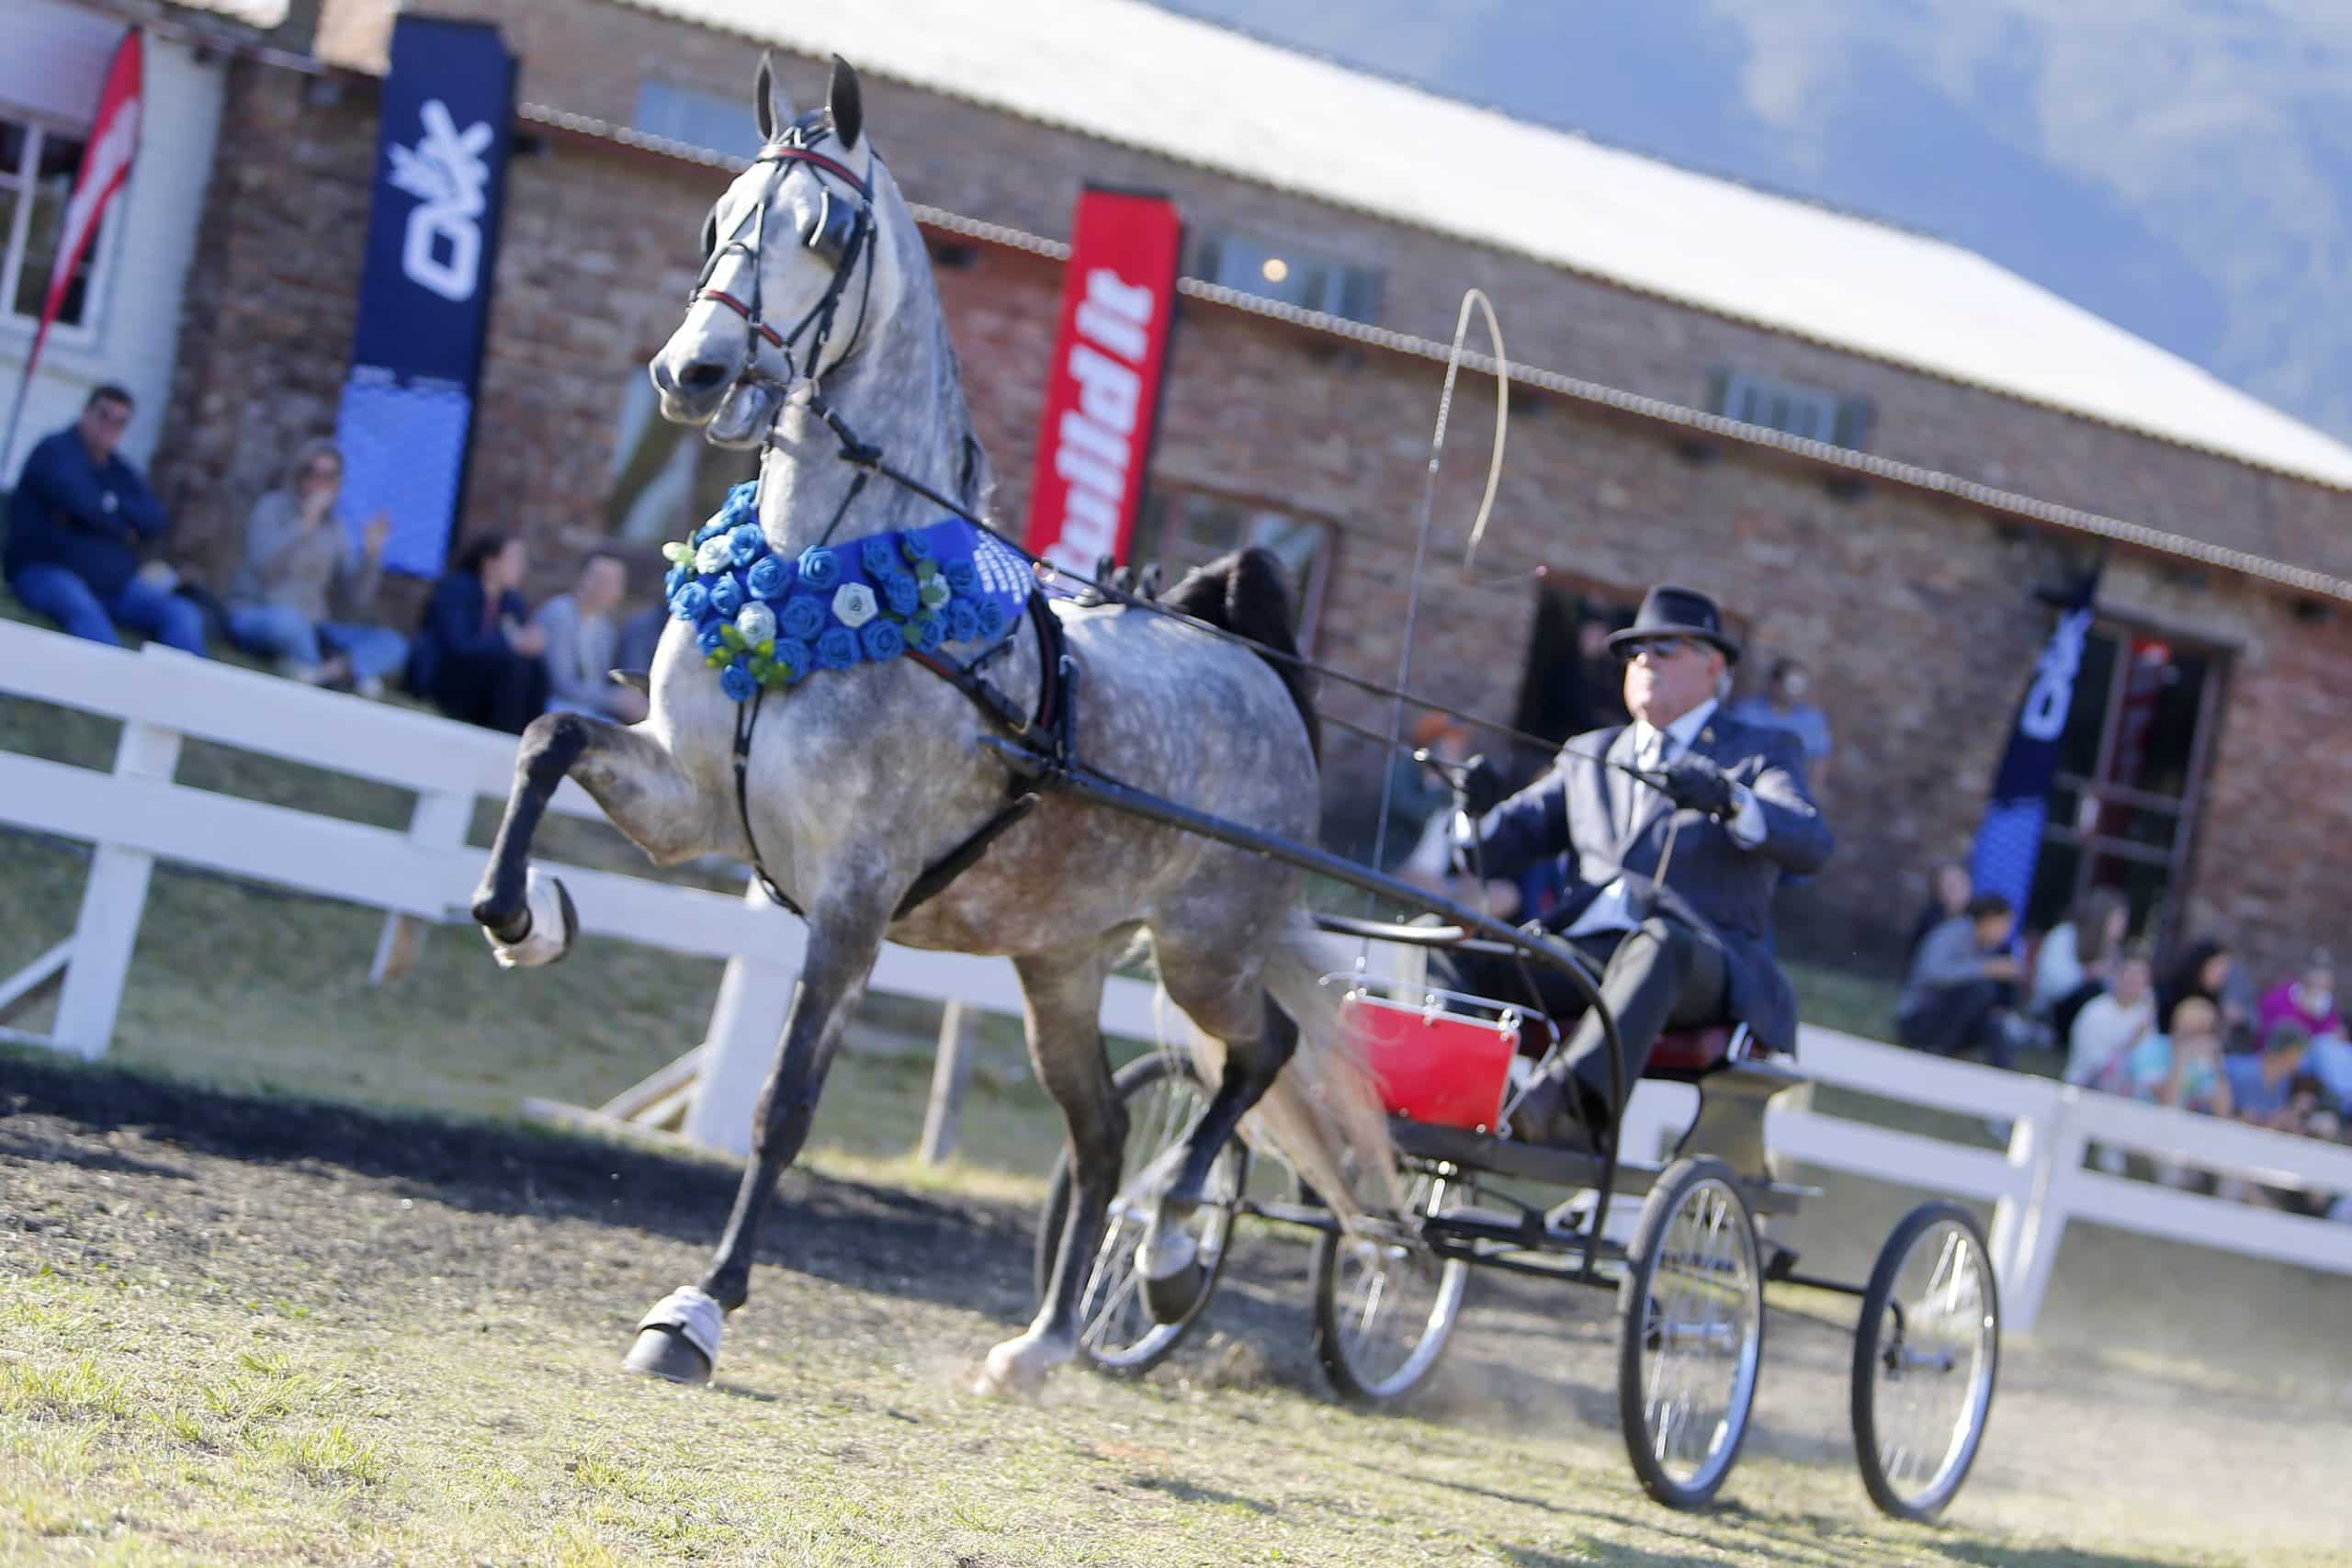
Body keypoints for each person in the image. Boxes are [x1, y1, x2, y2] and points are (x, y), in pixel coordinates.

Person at [1437, 583, 1832, 1146]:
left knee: (1658, 941)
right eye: (1634, 651)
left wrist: (1729, 799)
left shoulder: (1761, 750)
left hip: (1700, 961)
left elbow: (1810, 839)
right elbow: (1490, 850)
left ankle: (1565, 1108)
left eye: (1664, 648)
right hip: (1586, 956)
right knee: (1445, 939)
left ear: (1713, 664)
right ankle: (1466, 1094)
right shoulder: (1589, 753)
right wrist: (1469, 809)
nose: (1644, 660)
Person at [4, 384, 205, 655]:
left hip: (114, 586)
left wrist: (105, 508)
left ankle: (185, 692)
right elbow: (78, 501)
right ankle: (116, 687)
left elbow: (155, 519)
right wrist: (122, 526)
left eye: (120, 422)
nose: (110, 426)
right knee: (81, 606)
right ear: (86, 413)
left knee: (182, 613)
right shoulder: (54, 452)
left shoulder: (119, 470)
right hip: (47, 572)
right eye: (104, 415)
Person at [224, 438, 408, 695]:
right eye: (313, 472)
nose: (320, 482)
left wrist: (372, 556)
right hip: (260, 612)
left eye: (330, 476)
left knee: (394, 643)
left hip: (314, 627)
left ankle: (324, 672)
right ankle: (341, 675)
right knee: (287, 623)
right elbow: (264, 568)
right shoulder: (272, 507)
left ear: (338, 483)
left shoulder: (335, 529)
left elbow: (354, 599)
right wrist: (303, 527)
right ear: (299, 474)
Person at [407, 533, 548, 733]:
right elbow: (459, 644)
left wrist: (531, 643)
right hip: (448, 675)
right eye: (513, 560)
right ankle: (507, 733)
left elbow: (517, 642)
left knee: (534, 667)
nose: (520, 568)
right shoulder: (456, 589)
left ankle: (531, 737)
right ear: (490, 563)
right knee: (514, 666)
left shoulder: (512, 602)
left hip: (487, 683)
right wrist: (513, 645)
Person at [1897, 893, 2025, 1069]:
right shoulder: (1954, 933)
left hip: (1955, 1024)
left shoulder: (1993, 949)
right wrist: (1985, 968)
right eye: (2004, 924)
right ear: (1988, 919)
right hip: (1919, 1018)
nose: (2007, 932)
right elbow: (1933, 973)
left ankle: (2006, 1080)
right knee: (1980, 989)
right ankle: (1936, 1052)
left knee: (1995, 1022)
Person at [533, 548, 650, 724]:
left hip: (589, 710)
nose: (605, 587)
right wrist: (614, 699)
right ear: (582, 578)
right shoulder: (560, 613)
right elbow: (562, 684)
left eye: (613, 582)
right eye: (600, 579)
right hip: (550, 706)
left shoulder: (606, 629)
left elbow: (597, 682)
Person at [1729, 657, 1833, 787]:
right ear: (1774, 683)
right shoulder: (1748, 712)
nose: (1797, 691)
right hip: (1749, 785)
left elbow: (1818, 761)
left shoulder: (1811, 720)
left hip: (1793, 789)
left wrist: (1812, 794)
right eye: (1792, 684)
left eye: (1802, 685)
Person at [2065, 946, 2156, 1091]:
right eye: (2129, 973)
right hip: (2086, 1088)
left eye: (2141, 975)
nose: (2134, 979)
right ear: (2117, 976)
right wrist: (2131, 1042)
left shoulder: (2145, 1014)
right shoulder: (2096, 1011)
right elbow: (2094, 1064)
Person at [1909, 861, 1972, 961]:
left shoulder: (1977, 914)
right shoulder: (1932, 924)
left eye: (1962, 882)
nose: (1960, 890)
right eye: (1951, 887)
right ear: (1939, 892)